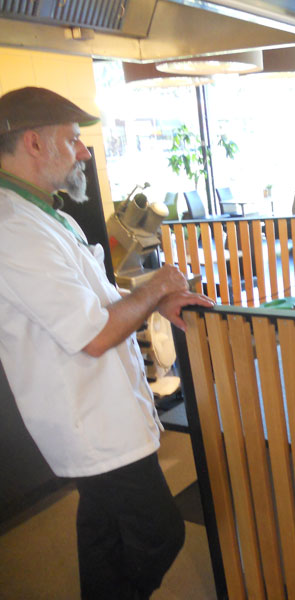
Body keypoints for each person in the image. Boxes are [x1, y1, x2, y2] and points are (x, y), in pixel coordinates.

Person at [0, 87, 215, 599]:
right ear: (34, 143)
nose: (84, 152)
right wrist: (157, 287)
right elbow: (94, 334)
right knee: (159, 533)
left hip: (104, 413)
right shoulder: (14, 230)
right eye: (74, 139)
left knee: (102, 534)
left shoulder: (50, 216)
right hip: (90, 424)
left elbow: (97, 298)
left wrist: (155, 302)